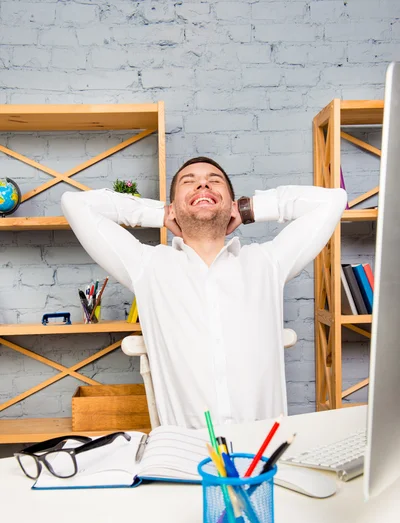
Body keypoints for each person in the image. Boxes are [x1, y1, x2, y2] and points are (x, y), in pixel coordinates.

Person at [61, 156, 347, 428]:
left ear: (232, 204)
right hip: (186, 456)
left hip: (263, 456)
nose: (203, 185)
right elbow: (74, 203)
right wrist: (159, 213)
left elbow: (334, 200)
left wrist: (249, 208)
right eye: (189, 181)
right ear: (173, 206)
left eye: (214, 180)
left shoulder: (268, 262)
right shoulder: (148, 266)